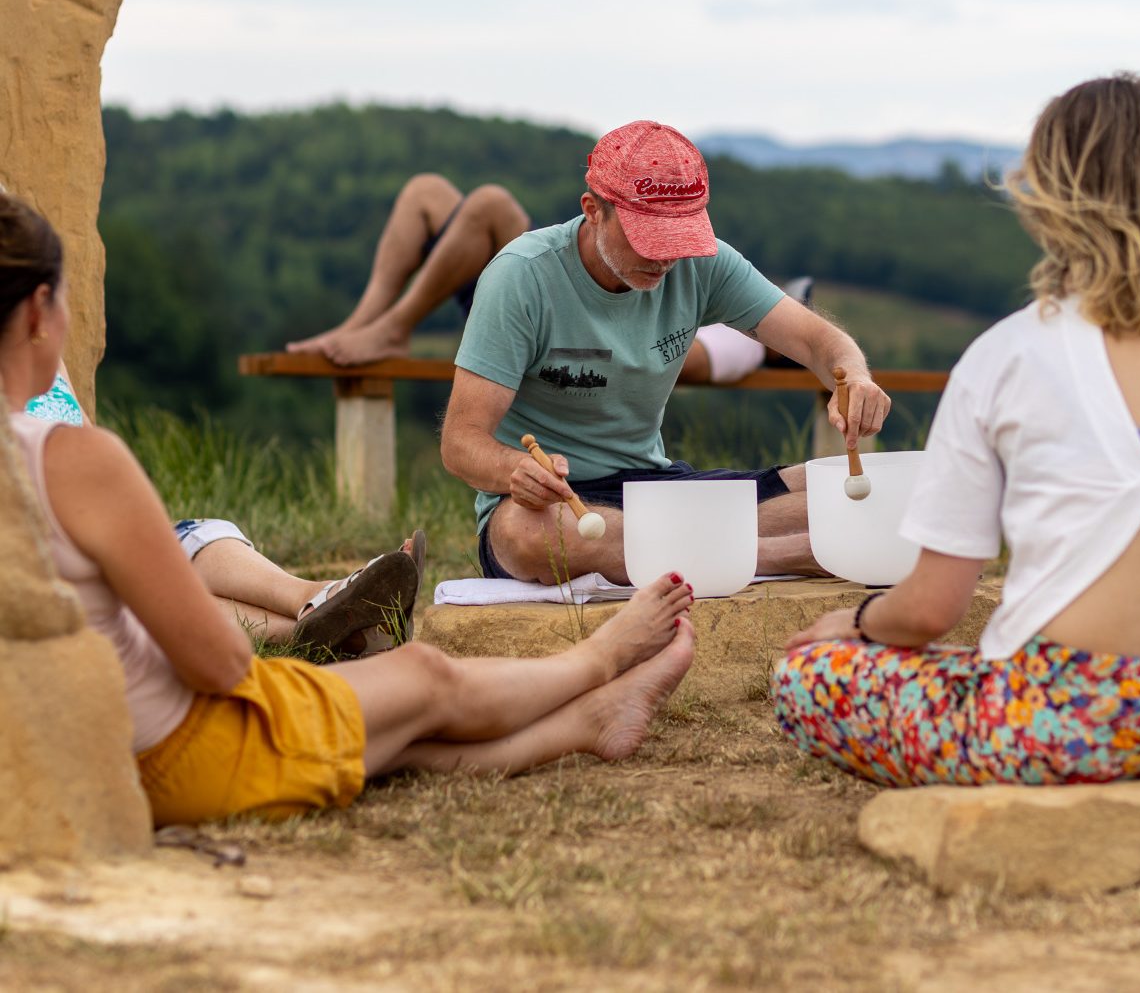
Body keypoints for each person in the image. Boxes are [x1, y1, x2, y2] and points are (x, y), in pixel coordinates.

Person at [1, 192, 696, 824]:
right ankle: (600, 660)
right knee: (422, 678)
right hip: (181, 748)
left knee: (401, 734)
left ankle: (592, 721)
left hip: (97, 745)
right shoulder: (74, 460)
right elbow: (219, 665)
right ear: (37, 311)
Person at [773, 74, 1140, 787]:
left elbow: (930, 608)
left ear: (1048, 198)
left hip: (1050, 725)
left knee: (810, 671)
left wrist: (857, 620)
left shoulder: (1005, 356)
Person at [439, 120, 890, 584]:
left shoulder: (703, 264)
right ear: (593, 211)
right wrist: (514, 469)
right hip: (555, 502)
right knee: (526, 536)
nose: (664, 258)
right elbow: (460, 443)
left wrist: (855, 377)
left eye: (679, 238)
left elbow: (818, 341)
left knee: (841, 486)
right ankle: (776, 554)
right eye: (648, 238)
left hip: (657, 490)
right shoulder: (522, 276)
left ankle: (700, 549)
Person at [24, 364, 421, 660]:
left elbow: (89, 442)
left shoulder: (42, 348)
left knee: (201, 535)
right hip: (48, 552)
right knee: (137, 589)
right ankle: (339, 625)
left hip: (110, 524)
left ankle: (321, 600)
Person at [284, 169, 783, 380]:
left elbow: (654, 359)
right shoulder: (731, 326)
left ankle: (393, 328)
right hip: (547, 296)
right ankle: (365, 325)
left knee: (491, 204)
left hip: (550, 331)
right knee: (425, 191)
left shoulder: (734, 348)